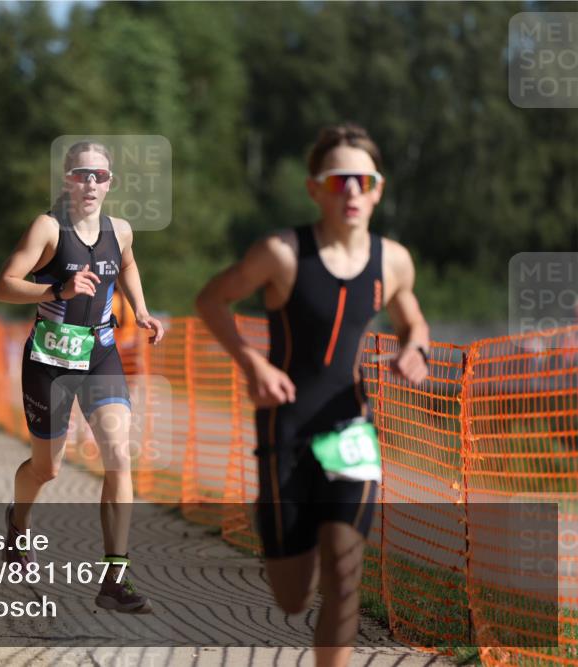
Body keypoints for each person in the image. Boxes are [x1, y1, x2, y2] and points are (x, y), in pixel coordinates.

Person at [195, 123, 430, 666]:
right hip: (287, 431)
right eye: (338, 179)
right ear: (315, 189)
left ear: (378, 189)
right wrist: (251, 361)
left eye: (362, 180)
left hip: (350, 429)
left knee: (346, 576)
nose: (351, 190)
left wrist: (413, 347)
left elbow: (412, 321)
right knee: (294, 594)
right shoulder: (280, 253)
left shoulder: (392, 260)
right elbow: (211, 299)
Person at [0, 140, 164, 613]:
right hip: (50, 357)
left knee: (118, 453)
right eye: (82, 174)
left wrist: (142, 310)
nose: (90, 183)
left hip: (100, 353)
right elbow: (4, 284)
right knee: (47, 468)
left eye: (100, 176)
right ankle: (18, 522)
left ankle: (115, 577)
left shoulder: (122, 231)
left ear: (111, 183)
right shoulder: (48, 228)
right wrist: (57, 288)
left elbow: (126, 265)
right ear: (67, 179)